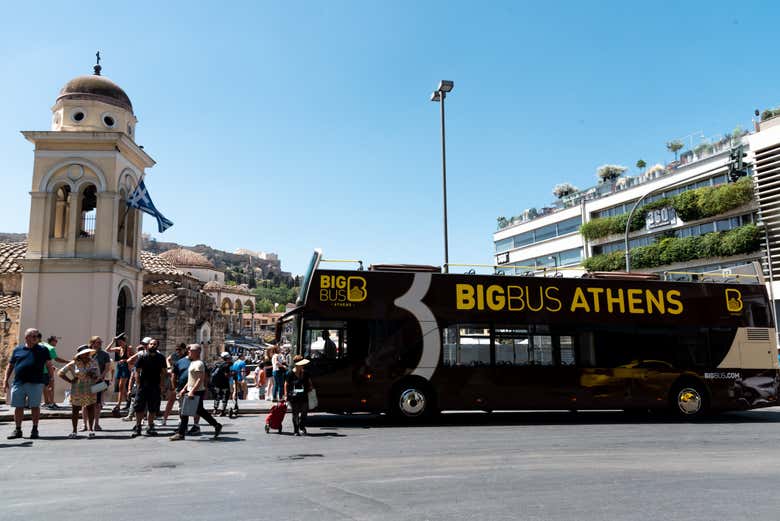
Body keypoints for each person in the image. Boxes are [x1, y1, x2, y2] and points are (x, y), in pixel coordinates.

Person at [2, 328, 54, 439]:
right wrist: (5, 379)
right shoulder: (18, 350)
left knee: (35, 406)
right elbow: (10, 365)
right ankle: (18, 430)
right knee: (18, 407)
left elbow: (49, 365)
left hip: (36, 382)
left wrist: (51, 379)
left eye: (37, 336)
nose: (37, 338)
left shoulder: (43, 350)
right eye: (34, 336)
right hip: (19, 382)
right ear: (27, 337)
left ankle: (35, 429)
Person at [169, 345, 223, 441]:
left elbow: (199, 379)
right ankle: (217, 425)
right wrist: (184, 389)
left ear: (197, 352)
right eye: (188, 350)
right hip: (191, 390)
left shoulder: (199, 364)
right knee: (200, 411)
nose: (188, 352)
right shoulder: (193, 363)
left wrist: (192, 391)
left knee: (185, 412)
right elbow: (191, 379)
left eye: (191, 350)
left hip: (196, 391)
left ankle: (181, 434)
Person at [58, 345, 100, 438]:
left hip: (90, 388)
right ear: (80, 355)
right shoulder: (73, 363)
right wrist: (70, 381)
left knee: (90, 408)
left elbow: (98, 376)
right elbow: (60, 373)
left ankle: (91, 429)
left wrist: (93, 375)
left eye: (87, 353)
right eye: (84, 353)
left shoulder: (93, 362)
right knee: (75, 410)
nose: (86, 355)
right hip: (77, 389)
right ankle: (74, 430)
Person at [127, 337, 167, 437]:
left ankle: (150, 427)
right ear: (148, 345)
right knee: (139, 407)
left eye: (154, 344)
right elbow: (137, 371)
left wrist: (162, 385)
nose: (152, 345)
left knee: (152, 408)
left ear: (157, 346)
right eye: (151, 344)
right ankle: (138, 426)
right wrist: (138, 383)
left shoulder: (161, 358)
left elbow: (163, 373)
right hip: (143, 386)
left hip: (155, 385)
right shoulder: (143, 356)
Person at [86, 336, 111, 431]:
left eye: (101, 342)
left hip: (99, 381)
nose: (100, 344)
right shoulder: (86, 353)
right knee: (86, 403)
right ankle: (86, 424)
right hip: (87, 382)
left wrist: (100, 377)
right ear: (92, 343)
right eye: (98, 342)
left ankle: (96, 424)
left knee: (97, 403)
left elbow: (107, 368)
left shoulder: (105, 354)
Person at [285, 355, 313, 436]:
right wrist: (286, 395)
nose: (303, 365)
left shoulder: (305, 373)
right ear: (297, 364)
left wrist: (310, 387)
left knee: (304, 413)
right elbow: (286, 384)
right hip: (294, 397)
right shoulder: (290, 373)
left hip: (304, 396)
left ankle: (302, 426)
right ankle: (296, 430)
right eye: (302, 364)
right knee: (295, 414)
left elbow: (309, 382)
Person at [106, 333, 132, 414]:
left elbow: (134, 357)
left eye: (121, 342)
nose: (119, 343)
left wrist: (126, 360)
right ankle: (128, 401)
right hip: (120, 367)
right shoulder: (119, 348)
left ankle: (119, 404)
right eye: (119, 342)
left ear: (124, 341)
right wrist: (113, 341)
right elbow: (107, 350)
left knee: (121, 386)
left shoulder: (129, 348)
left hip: (125, 367)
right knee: (121, 386)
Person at [41, 335, 68, 410]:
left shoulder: (42, 344)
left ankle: (47, 402)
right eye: (55, 341)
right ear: (51, 341)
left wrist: (51, 365)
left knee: (45, 387)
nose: (56, 342)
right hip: (46, 370)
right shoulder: (51, 348)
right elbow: (56, 359)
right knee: (51, 386)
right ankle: (51, 403)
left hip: (39, 369)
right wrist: (67, 361)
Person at [162, 343, 187, 426]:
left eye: (179, 350)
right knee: (171, 400)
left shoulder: (187, 357)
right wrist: (169, 368)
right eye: (176, 349)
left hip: (183, 381)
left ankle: (181, 420)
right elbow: (167, 359)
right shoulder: (175, 355)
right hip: (174, 380)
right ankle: (164, 419)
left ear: (184, 349)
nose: (177, 351)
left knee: (182, 402)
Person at [211, 352, 233, 416]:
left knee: (217, 397)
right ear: (226, 358)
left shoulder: (217, 364)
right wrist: (232, 374)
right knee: (224, 397)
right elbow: (226, 375)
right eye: (229, 358)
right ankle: (222, 411)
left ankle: (215, 410)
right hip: (224, 384)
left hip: (217, 384)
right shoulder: (226, 365)